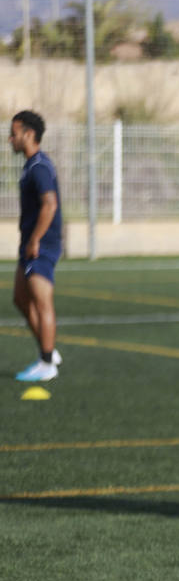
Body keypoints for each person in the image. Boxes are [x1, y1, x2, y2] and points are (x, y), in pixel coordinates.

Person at [10, 110, 63, 383]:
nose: (10, 139)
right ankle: (48, 349)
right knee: (20, 298)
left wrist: (35, 239)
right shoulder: (31, 165)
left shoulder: (39, 166)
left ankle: (46, 363)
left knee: (42, 303)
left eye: (14, 134)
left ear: (29, 134)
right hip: (30, 242)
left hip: (40, 244)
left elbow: (50, 204)